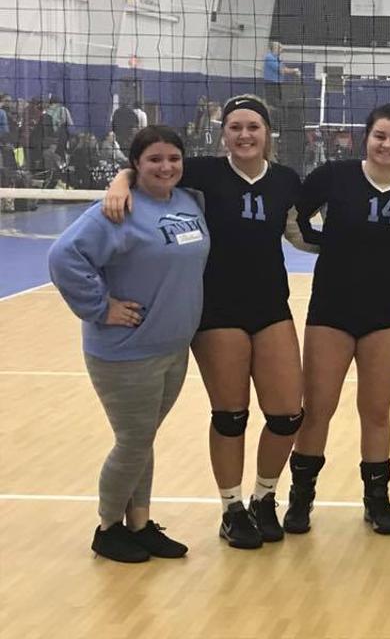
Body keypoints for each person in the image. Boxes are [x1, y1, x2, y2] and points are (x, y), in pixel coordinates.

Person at [102, 94, 307, 550]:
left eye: (253, 127)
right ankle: (232, 510)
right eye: (235, 127)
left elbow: (306, 229)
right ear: (223, 134)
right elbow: (150, 165)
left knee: (287, 415)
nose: (244, 135)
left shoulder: (286, 180)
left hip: (271, 307)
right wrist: (120, 180)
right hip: (217, 311)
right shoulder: (202, 174)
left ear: (267, 132)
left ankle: (264, 498)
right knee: (231, 416)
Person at [49, 126, 209, 563]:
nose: (166, 166)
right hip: (125, 351)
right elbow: (63, 256)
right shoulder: (118, 209)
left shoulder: (189, 200)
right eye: (154, 159)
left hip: (173, 348)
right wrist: (100, 307)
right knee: (133, 441)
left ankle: (139, 524)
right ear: (136, 164)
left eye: (173, 158)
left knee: (142, 439)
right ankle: (107, 529)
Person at [283, 104, 390, 536]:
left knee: (377, 411)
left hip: (387, 312)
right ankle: (300, 498)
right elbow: (293, 218)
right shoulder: (335, 176)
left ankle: (377, 499)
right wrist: (325, 245)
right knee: (318, 409)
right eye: (380, 136)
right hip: (332, 309)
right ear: (366, 137)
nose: (387, 145)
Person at [263, 40, 301, 111]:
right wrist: (294, 70)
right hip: (271, 84)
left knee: (278, 103)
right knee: (272, 104)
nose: (281, 51)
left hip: (277, 84)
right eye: (280, 48)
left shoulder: (277, 58)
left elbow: (284, 68)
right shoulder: (269, 57)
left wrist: (294, 71)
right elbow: (281, 70)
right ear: (275, 49)